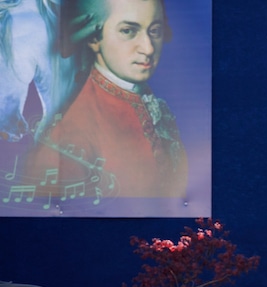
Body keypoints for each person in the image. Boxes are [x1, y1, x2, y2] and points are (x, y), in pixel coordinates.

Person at [26, 0, 187, 199]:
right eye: (128, 31)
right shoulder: (74, 134)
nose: (148, 49)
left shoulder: (150, 102)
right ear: (94, 38)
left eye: (154, 31)